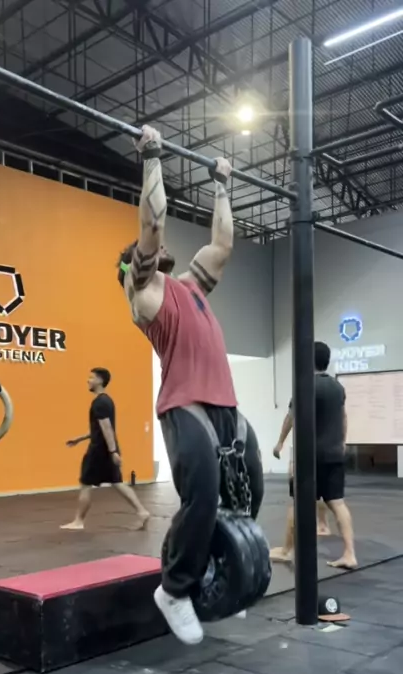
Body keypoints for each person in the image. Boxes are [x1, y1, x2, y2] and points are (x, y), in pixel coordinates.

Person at [117, 125, 263, 645]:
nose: (159, 247)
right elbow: (153, 222)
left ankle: (224, 572)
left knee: (249, 492)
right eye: (148, 249)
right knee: (201, 497)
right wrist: (152, 157)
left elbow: (222, 243)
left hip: (225, 404)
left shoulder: (191, 287)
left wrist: (222, 184)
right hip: (184, 405)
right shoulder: (144, 295)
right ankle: (174, 590)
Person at [270, 341, 357, 569]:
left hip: (310, 456)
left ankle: (287, 551)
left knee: (298, 503)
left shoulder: (305, 386)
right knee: (337, 502)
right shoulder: (337, 388)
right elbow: (343, 417)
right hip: (334, 453)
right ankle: (350, 554)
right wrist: (342, 442)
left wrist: (280, 443)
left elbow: (291, 418)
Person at [61, 367, 150, 531]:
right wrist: (80, 439)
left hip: (98, 451)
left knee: (85, 484)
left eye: (91, 377)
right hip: (107, 449)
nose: (88, 380)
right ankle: (142, 511)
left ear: (100, 381)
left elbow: (107, 428)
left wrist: (112, 451)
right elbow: (100, 429)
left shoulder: (99, 403)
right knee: (117, 483)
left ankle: (78, 521)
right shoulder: (107, 401)